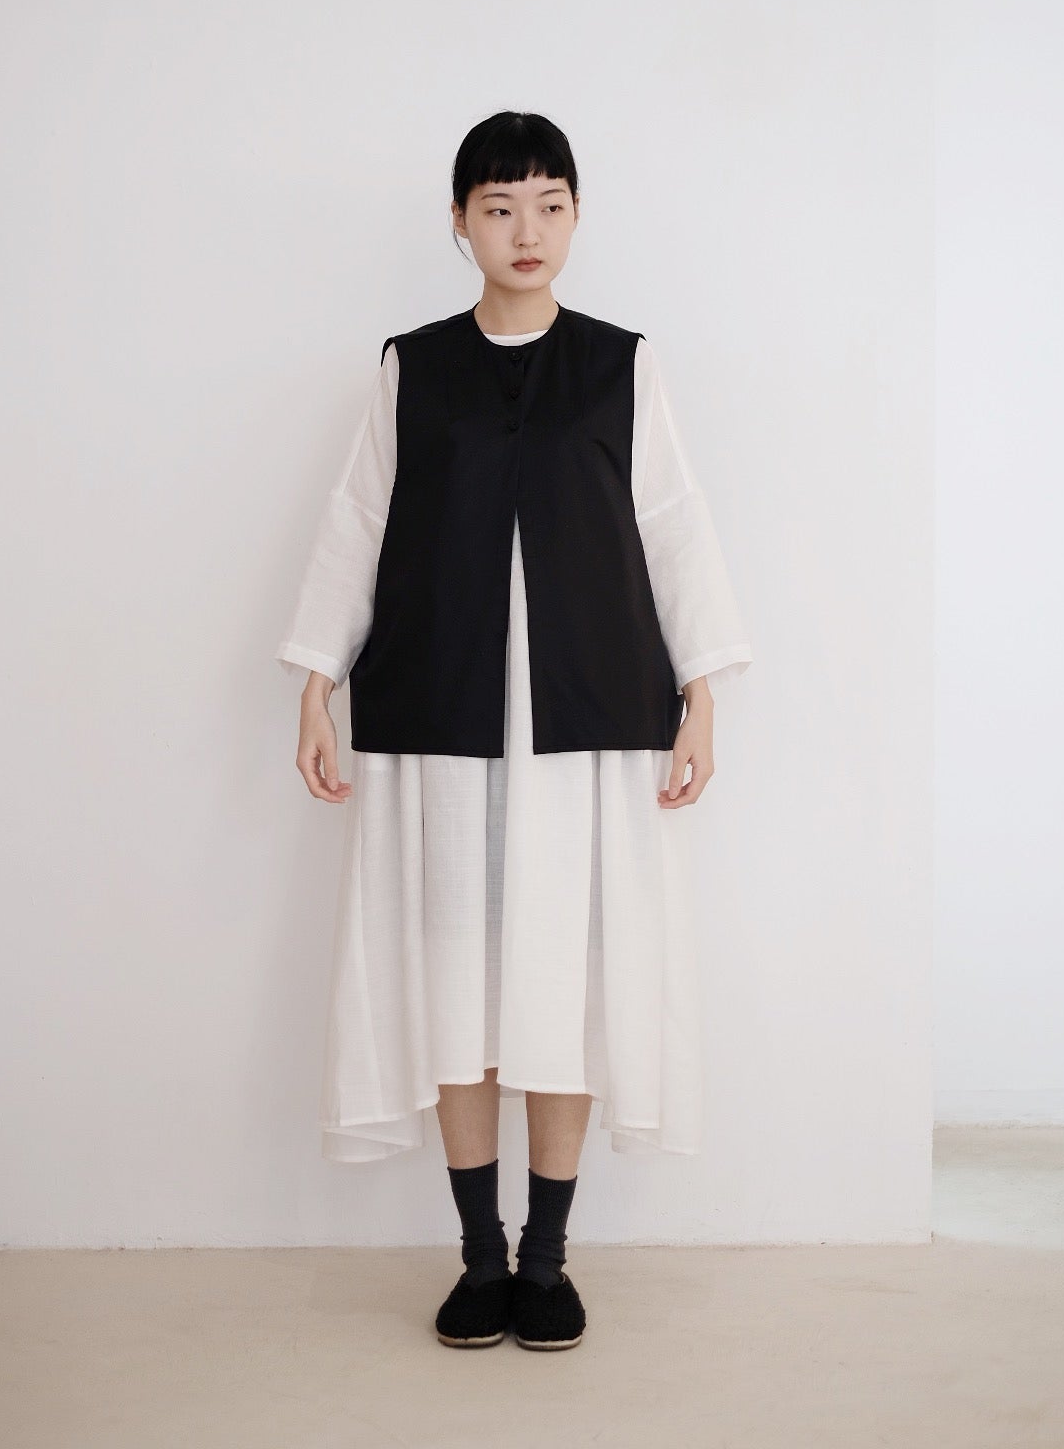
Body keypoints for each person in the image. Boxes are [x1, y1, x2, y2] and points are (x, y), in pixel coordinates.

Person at [275, 111, 752, 1351]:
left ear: (576, 216)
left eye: (547, 204)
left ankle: (546, 1258)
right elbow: (358, 523)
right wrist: (315, 681)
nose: (523, 230)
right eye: (497, 207)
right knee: (455, 986)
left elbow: (672, 525)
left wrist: (702, 692)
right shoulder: (412, 367)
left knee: (559, 986)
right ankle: (478, 1258)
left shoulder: (620, 366)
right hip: (441, 723)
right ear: (459, 222)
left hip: (583, 725)